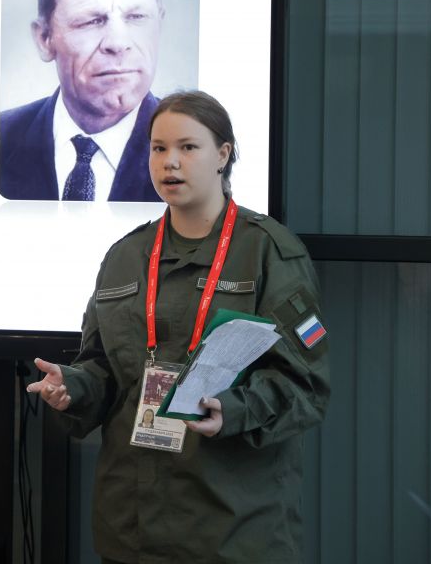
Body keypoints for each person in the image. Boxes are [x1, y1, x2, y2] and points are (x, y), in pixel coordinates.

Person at [27, 90, 330, 564]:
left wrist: (232, 410)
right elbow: (104, 368)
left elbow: (305, 387)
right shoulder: (126, 256)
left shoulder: (269, 253)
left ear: (223, 155)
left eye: (188, 147)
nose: (170, 162)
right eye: (159, 148)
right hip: (132, 528)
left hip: (233, 530)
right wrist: (73, 387)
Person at [0, 0, 165, 202]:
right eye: (92, 21)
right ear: (45, 39)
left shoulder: (199, 147)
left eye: (136, 17)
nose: (118, 43)